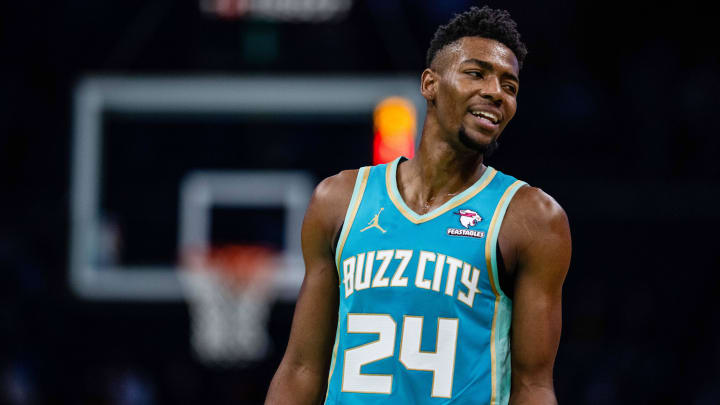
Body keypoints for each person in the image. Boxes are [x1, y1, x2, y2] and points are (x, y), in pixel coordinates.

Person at [266, 6, 571, 405]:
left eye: (509, 86)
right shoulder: (339, 200)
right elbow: (302, 367)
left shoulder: (531, 218)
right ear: (430, 84)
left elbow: (533, 386)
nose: (496, 92)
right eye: (476, 73)